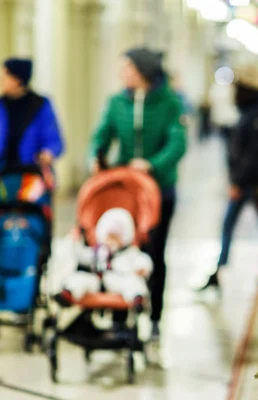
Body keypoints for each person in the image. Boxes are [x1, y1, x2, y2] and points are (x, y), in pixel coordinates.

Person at [89, 48, 187, 340]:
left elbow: (177, 142)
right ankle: (120, 316)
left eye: (127, 68)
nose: (122, 74)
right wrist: (96, 155)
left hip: (160, 189)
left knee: (155, 252)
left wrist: (152, 164)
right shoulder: (116, 102)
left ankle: (155, 315)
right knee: (120, 250)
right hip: (126, 191)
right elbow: (101, 134)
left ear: (143, 72)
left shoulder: (169, 102)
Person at [199, 63, 258, 290]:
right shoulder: (253, 113)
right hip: (250, 182)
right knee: (257, 226)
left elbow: (254, 155)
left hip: (253, 183)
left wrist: (237, 182)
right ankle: (219, 270)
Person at [0, 58, 64, 196]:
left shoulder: (41, 105)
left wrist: (48, 152)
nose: (0, 81)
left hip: (30, 176)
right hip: (0, 177)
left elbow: (54, 140)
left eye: (4, 76)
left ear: (18, 80)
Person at [56, 208, 152, 306]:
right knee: (79, 278)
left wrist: (142, 268)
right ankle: (68, 293)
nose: (111, 241)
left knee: (132, 283)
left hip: (117, 281)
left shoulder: (129, 252)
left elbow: (142, 260)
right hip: (96, 280)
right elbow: (81, 255)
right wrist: (75, 241)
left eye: (115, 237)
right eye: (109, 237)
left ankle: (137, 298)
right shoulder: (98, 250)